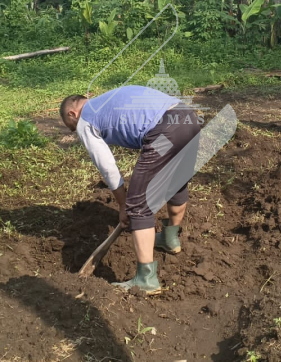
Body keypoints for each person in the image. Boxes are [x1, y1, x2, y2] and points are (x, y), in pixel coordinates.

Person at [60, 86, 202, 295]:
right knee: (176, 181)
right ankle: (170, 238)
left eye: (71, 127)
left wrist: (123, 204)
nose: (75, 131)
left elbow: (107, 166)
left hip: (166, 132)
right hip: (188, 120)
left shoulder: (85, 120)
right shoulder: (107, 100)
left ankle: (146, 279)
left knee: (137, 203)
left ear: (73, 114)